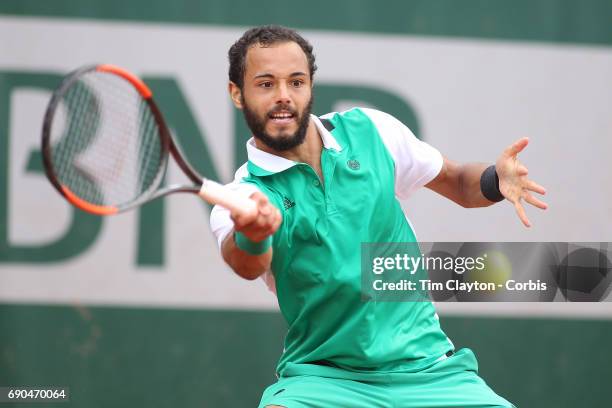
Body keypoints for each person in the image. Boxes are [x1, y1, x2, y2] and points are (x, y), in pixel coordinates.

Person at [210, 25, 547, 408]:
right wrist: (254, 232)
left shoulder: (372, 132)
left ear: (310, 86)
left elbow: (457, 183)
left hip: (431, 372)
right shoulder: (241, 196)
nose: (284, 97)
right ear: (237, 93)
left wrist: (494, 180)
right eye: (266, 84)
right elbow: (246, 263)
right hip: (325, 379)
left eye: (297, 82)